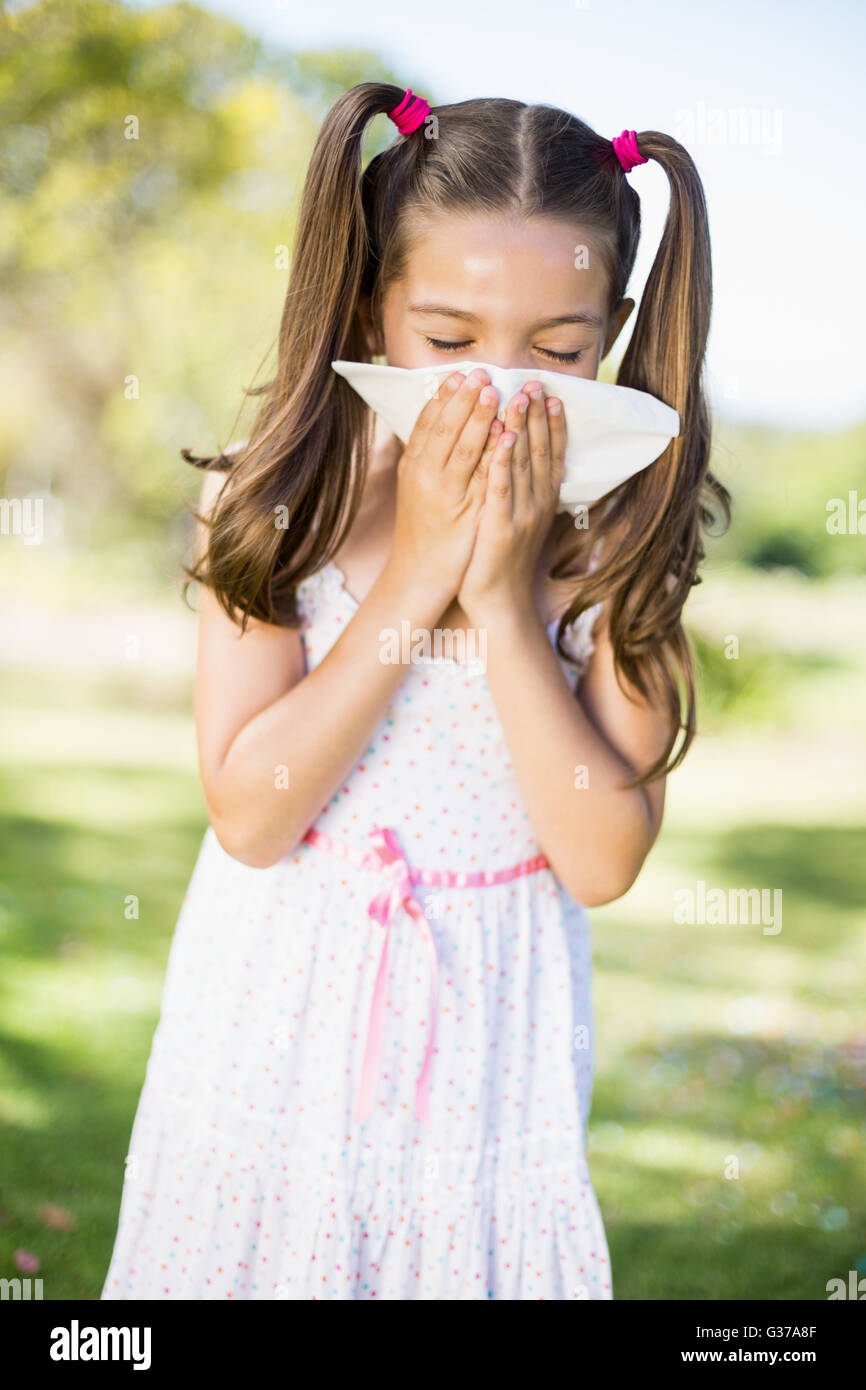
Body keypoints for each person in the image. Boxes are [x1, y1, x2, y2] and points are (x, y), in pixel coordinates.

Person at [101, 83, 729, 1301]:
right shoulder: (279, 504)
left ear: (609, 330)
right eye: (449, 341)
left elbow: (600, 857)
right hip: (272, 1026)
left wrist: (496, 598)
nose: (498, 387)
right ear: (371, 310)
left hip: (487, 1058)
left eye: (554, 350)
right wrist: (418, 576)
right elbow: (251, 813)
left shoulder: (617, 538)